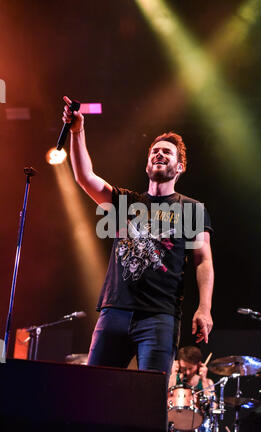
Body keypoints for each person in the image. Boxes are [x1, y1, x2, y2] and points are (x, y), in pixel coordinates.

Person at [62, 96, 214, 380]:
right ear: (147, 164)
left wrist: (204, 308)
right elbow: (85, 177)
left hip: (159, 316)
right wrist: (77, 131)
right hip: (114, 311)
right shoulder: (125, 202)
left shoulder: (192, 209)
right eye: (155, 151)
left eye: (167, 153)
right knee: (94, 391)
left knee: (148, 398)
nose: (159, 154)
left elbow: (203, 260)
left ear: (179, 167)